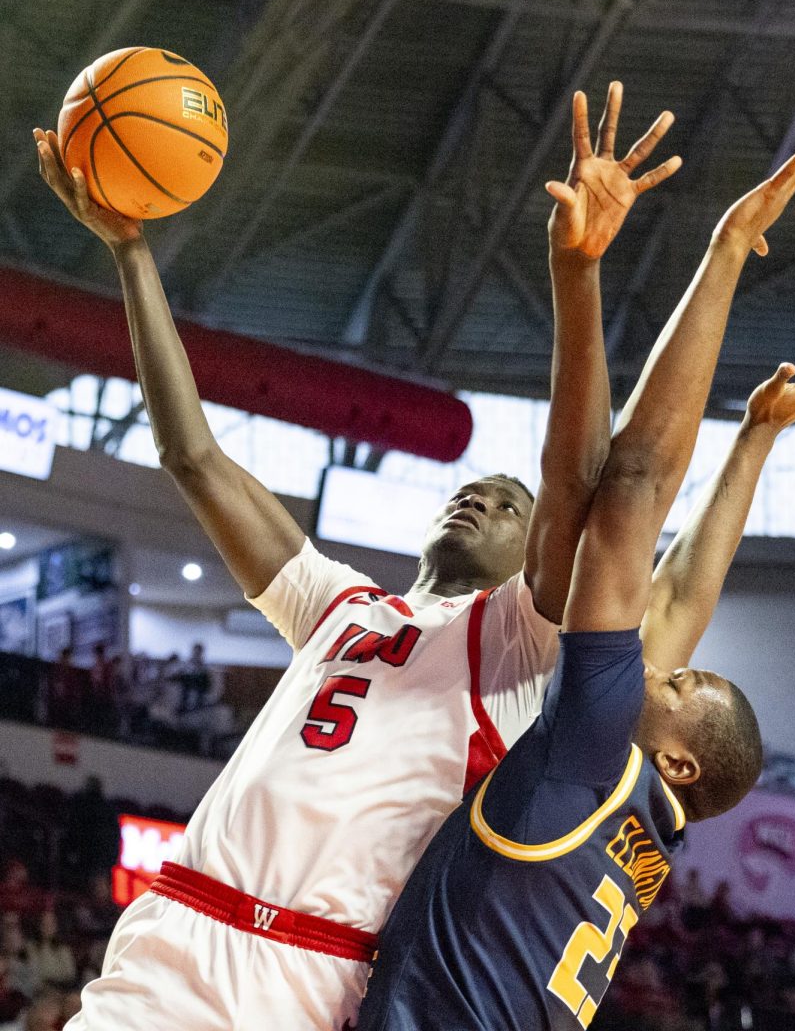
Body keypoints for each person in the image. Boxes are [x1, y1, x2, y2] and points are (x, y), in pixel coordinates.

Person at [35, 83, 682, 1029]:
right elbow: (193, 456)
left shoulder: (515, 647)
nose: (484, 496)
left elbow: (576, 475)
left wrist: (574, 274)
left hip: (304, 979)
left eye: (510, 505)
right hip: (169, 935)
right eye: (475, 488)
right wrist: (131, 253)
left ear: (532, 556)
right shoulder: (334, 605)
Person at [358, 131, 795, 1030]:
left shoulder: (590, 735)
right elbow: (681, 594)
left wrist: (718, 253)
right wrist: (754, 439)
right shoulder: (639, 825)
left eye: (677, 680)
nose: (657, 663)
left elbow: (630, 487)